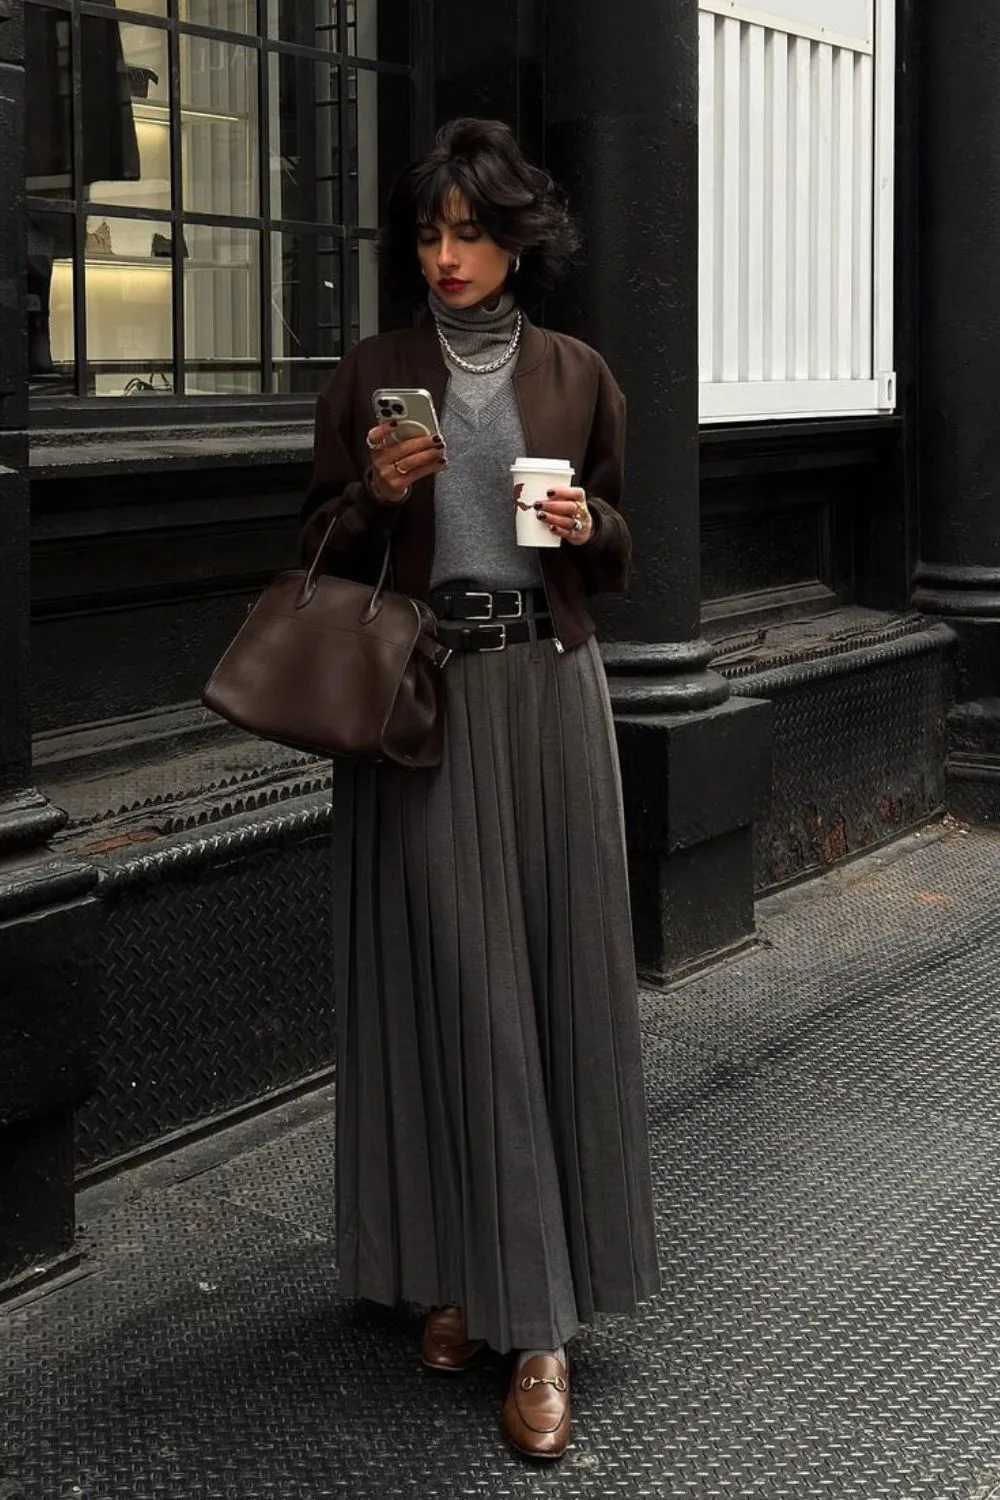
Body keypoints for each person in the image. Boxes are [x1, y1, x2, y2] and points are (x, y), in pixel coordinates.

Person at [300, 117, 660, 1462]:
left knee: (552, 985)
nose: (445, 256)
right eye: (429, 232)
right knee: (447, 986)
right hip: (424, 701)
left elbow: (621, 547)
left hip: (548, 701)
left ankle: (543, 1325)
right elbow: (321, 546)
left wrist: (586, 527)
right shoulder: (375, 374)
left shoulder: (578, 375)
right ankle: (458, 1268)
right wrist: (373, 500)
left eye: (470, 230)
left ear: (517, 236)